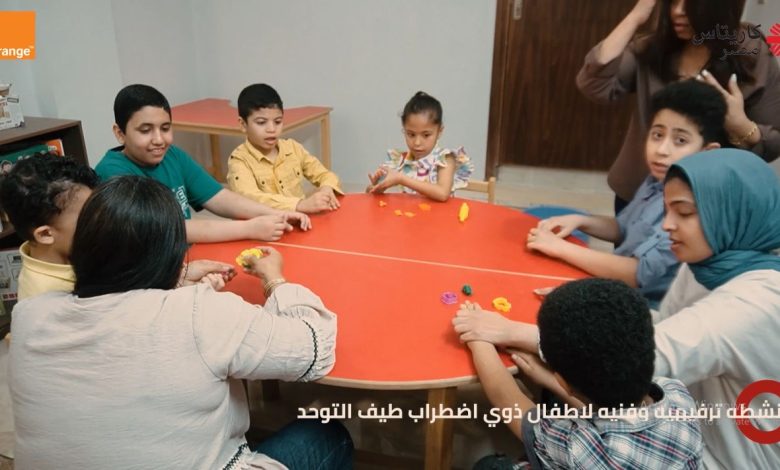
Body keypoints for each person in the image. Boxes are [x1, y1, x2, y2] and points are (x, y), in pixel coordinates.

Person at [454, 149, 780, 468]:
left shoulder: (745, 309)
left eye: (684, 212)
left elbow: (633, 358)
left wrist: (504, 331)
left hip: (719, 456)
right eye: (667, 210)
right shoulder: (707, 264)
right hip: (678, 427)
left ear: (732, 213)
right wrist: (598, 307)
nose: (667, 225)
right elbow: (662, 326)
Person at [9, 176, 353, 469]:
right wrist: (275, 280)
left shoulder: (28, 315)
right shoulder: (199, 312)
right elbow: (316, 348)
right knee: (325, 433)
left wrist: (173, 283)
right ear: (172, 251)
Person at [527, 79, 726, 307]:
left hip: (646, 309)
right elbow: (624, 228)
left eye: (680, 140)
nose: (662, 150)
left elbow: (637, 274)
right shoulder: (657, 180)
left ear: (707, 151)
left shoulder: (694, 208)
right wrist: (581, 221)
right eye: (657, 135)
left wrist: (561, 248)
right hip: (616, 288)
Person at [465, 279, 702, 469]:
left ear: (563, 381)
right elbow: (609, 414)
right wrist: (550, 380)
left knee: (490, 465)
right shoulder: (677, 394)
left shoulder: (579, 449)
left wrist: (478, 339)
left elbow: (508, 402)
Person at [577, 0, 780, 210]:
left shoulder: (751, 51)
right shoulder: (652, 47)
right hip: (641, 194)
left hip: (707, 204)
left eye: (690, 4)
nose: (677, 12)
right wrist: (636, 16)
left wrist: (740, 125)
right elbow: (594, 86)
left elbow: (774, 142)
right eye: (672, 2)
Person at [95, 84, 312, 243]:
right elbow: (169, 229)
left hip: (183, 256)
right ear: (120, 133)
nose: (159, 140)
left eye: (165, 128)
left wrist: (274, 213)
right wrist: (249, 228)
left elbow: (219, 197)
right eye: (145, 130)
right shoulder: (113, 173)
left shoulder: (173, 155)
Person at [227, 83, 343, 214]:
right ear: (243, 124)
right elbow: (251, 199)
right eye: (261, 122)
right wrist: (299, 205)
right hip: (265, 224)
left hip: (301, 220)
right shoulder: (239, 160)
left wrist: (326, 188)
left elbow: (324, 174)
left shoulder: (293, 148)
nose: (271, 129)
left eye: (277, 121)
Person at [0, 153, 97, 299]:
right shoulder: (49, 299)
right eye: (88, 216)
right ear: (45, 234)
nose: (100, 220)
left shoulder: (68, 249)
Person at [366, 91, 474, 201]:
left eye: (426, 135)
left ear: (439, 131)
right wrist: (376, 187)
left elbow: (442, 194)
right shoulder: (401, 160)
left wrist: (401, 179)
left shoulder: (445, 159)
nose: (417, 142)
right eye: (411, 134)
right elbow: (370, 194)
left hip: (440, 213)